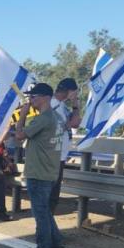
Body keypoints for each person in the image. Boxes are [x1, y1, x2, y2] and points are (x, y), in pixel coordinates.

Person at [15, 83, 64, 248]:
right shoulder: (57, 117)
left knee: (40, 212)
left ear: (44, 97)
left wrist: (22, 116)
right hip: (51, 170)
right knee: (45, 210)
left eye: (33, 96)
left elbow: (19, 136)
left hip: (39, 171)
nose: (30, 100)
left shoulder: (43, 118)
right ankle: (56, 243)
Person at [49, 78, 82, 213]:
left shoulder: (62, 106)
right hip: (52, 154)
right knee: (50, 193)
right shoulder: (51, 104)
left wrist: (75, 105)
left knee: (54, 193)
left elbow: (75, 123)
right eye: (74, 92)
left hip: (61, 154)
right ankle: (44, 227)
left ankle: (47, 224)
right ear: (69, 91)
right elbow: (61, 126)